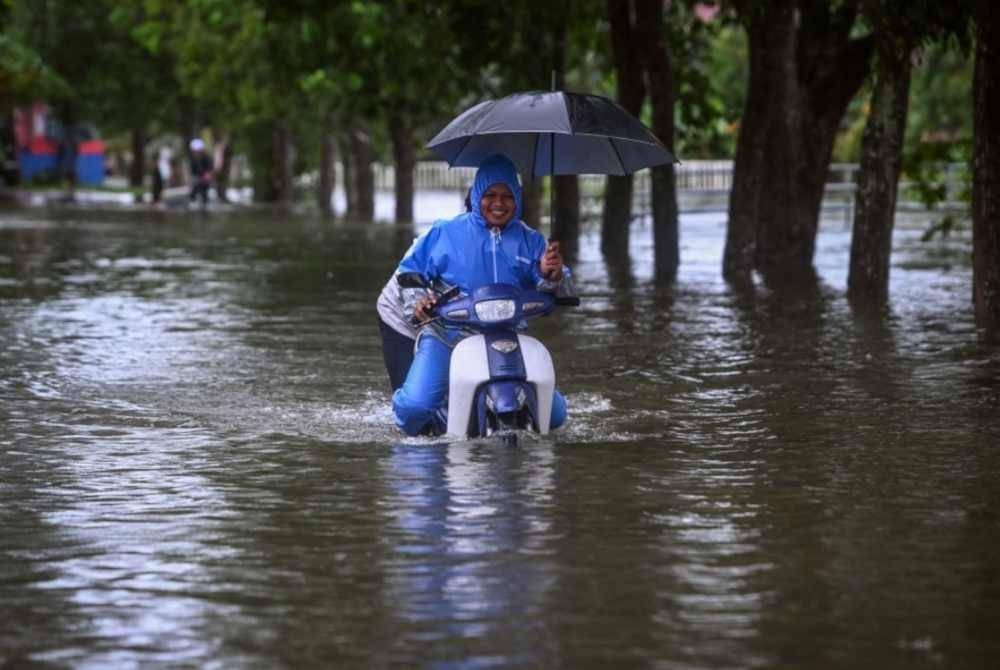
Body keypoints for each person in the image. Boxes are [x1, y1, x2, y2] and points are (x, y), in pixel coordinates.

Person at [379, 154, 573, 436]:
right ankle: (424, 404)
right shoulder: (445, 232)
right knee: (414, 411)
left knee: (554, 417)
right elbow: (410, 271)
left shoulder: (532, 240)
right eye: (490, 195)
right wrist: (419, 300)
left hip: (507, 336)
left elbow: (558, 284)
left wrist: (550, 273)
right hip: (448, 334)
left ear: (517, 199)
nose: (498, 203)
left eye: (507, 196)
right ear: (477, 194)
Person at [188, 138, 213, 206]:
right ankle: (193, 202)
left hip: (204, 179)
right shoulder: (193, 159)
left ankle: (205, 203)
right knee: (194, 191)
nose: (195, 153)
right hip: (197, 178)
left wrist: (207, 174)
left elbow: (209, 168)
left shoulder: (206, 157)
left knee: (204, 192)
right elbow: (193, 170)